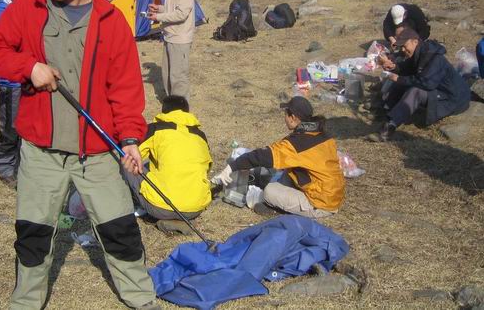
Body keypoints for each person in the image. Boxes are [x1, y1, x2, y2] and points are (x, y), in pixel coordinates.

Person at [0, 0, 159, 310]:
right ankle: (26, 303)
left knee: (120, 230)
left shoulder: (111, 21)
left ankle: (142, 299)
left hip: (96, 153)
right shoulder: (27, 8)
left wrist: (130, 139)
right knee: (32, 234)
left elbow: (126, 89)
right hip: (40, 152)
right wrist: (29, 67)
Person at [213, 97, 345, 219]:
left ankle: (275, 207)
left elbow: (262, 156)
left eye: (286, 114)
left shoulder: (298, 143)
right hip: (332, 192)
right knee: (286, 170)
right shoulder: (320, 134)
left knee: (269, 192)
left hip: (320, 204)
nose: (285, 118)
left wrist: (231, 167)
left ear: (292, 118)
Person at [123, 95, 212, 235]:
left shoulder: (156, 129)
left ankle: (140, 207)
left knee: (127, 161)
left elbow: (133, 154)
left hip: (161, 207)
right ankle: (179, 219)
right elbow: (207, 168)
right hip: (196, 208)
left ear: (164, 111)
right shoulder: (200, 135)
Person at [369, 28, 471, 142]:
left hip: (453, 98)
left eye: (405, 46)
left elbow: (427, 84)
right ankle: (387, 111)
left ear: (415, 41)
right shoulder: (420, 52)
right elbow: (406, 68)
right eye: (401, 47)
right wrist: (393, 67)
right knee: (400, 82)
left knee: (415, 91)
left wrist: (399, 78)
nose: (403, 49)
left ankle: (389, 127)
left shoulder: (433, 57)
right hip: (439, 90)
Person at [0, 0, 39, 188]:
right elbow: (0, 51)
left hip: (26, 79)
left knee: (27, 125)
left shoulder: (25, 8)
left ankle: (24, 166)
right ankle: (5, 168)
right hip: (10, 82)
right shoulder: (0, 14)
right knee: (10, 127)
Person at [147, 0, 195, 101]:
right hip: (169, 37)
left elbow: (181, 14)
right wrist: (159, 9)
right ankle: (171, 103)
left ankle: (180, 107)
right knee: (167, 74)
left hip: (180, 39)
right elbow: (172, 9)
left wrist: (158, 17)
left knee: (178, 77)